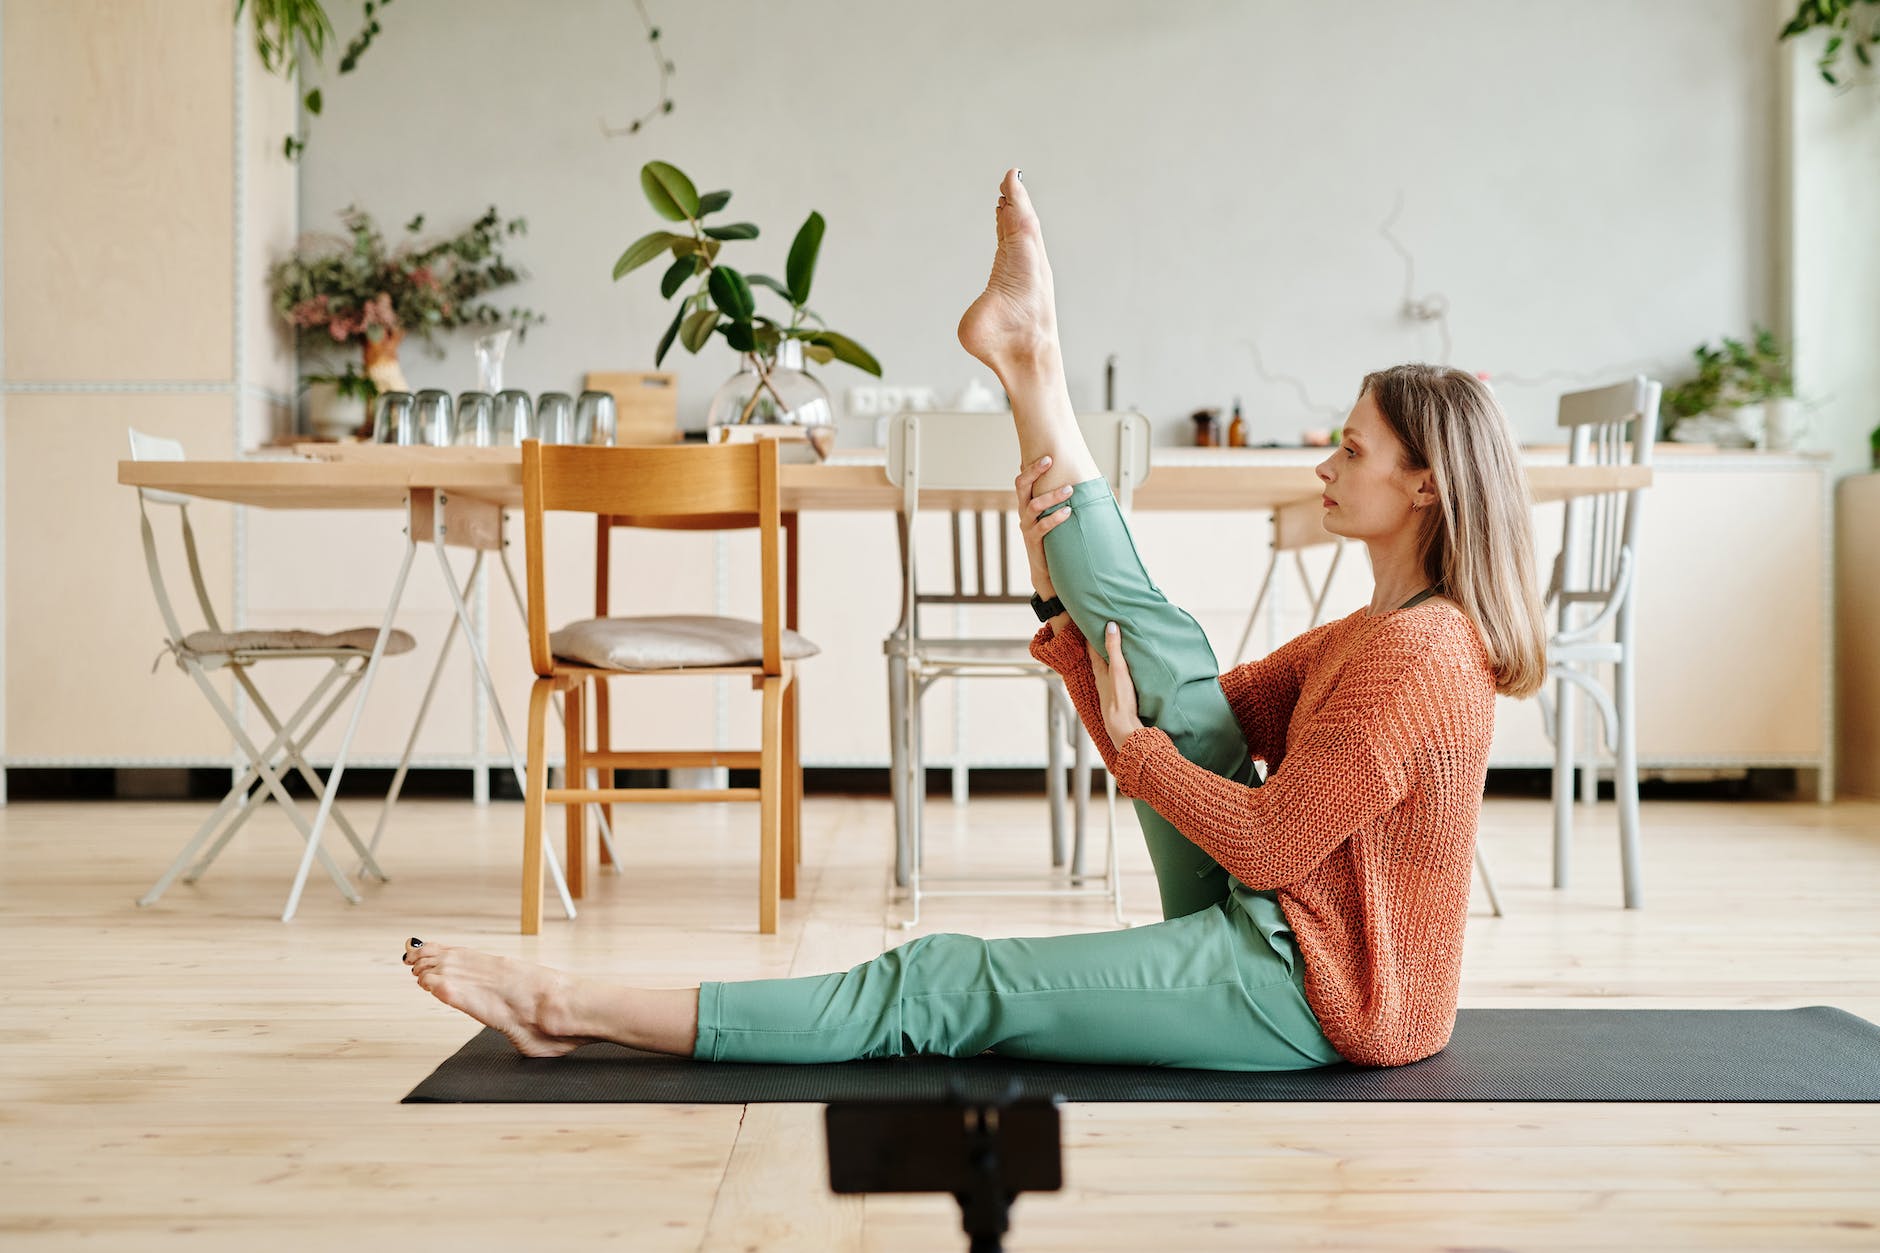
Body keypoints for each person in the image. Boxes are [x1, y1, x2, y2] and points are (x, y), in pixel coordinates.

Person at [403, 168, 1548, 1070]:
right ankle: (1028, 363)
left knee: (947, 984)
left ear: (1425, 486)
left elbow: (1260, 840)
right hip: (1287, 924)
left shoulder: (1416, 655)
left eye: (1350, 448)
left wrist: (1138, 742)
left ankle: (568, 1004)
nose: (1323, 461)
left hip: (1319, 993)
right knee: (1177, 662)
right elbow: (1194, 707)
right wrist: (1059, 601)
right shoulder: (1375, 630)